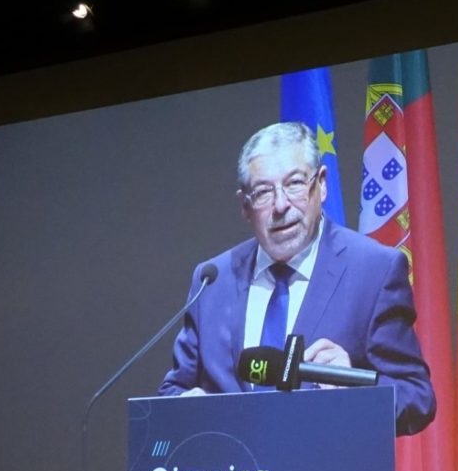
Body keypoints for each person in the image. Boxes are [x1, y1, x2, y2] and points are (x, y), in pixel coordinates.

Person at [158, 122, 435, 436]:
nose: (280, 205)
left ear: (322, 185)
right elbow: (174, 390)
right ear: (244, 206)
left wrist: (357, 388)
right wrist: (183, 404)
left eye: (294, 184)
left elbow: (417, 397)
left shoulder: (374, 270)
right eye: (263, 192)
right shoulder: (213, 280)